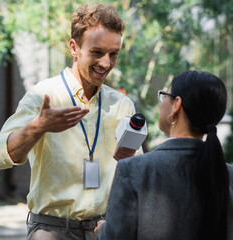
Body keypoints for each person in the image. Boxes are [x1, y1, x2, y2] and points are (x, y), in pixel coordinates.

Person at [0, 3, 139, 240]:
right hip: (52, 230)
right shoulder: (43, 95)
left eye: (113, 54)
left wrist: (131, 160)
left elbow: (137, 174)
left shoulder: (122, 105)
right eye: (97, 52)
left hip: (107, 230)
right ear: (74, 47)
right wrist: (38, 127)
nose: (106, 63)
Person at [95, 70, 233, 239]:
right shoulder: (227, 175)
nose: (161, 103)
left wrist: (102, 230)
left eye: (164, 95)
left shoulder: (132, 171)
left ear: (176, 105)